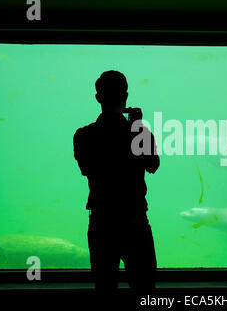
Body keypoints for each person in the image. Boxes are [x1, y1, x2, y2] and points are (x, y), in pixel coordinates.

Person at [73, 70, 160, 296]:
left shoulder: (83, 135)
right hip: (135, 223)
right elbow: (153, 165)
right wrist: (138, 127)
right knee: (145, 291)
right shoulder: (138, 133)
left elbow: (85, 169)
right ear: (126, 96)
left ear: (98, 97)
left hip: (102, 224)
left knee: (104, 291)